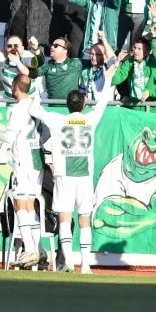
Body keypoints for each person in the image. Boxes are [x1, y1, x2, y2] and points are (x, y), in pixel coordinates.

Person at [29, 66, 114, 274]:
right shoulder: (90, 119)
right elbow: (103, 102)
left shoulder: (58, 120)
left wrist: (37, 89)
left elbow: (34, 110)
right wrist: (108, 78)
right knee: (84, 220)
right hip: (84, 177)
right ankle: (85, 265)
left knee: (64, 219)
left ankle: (68, 263)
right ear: (83, 103)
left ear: (67, 105)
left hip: (63, 177)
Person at [0, 74, 44, 268]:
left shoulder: (18, 109)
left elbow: (9, 138)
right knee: (31, 204)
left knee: (20, 203)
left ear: (15, 87)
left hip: (23, 160)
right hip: (37, 158)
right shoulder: (37, 105)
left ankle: (30, 250)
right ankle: (39, 249)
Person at [112, 37, 156, 109]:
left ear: (147, 52)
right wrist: (117, 62)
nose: (135, 51)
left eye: (139, 49)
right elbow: (115, 80)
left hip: (151, 111)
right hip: (134, 108)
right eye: (135, 48)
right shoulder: (129, 62)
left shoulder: (154, 65)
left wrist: (150, 92)